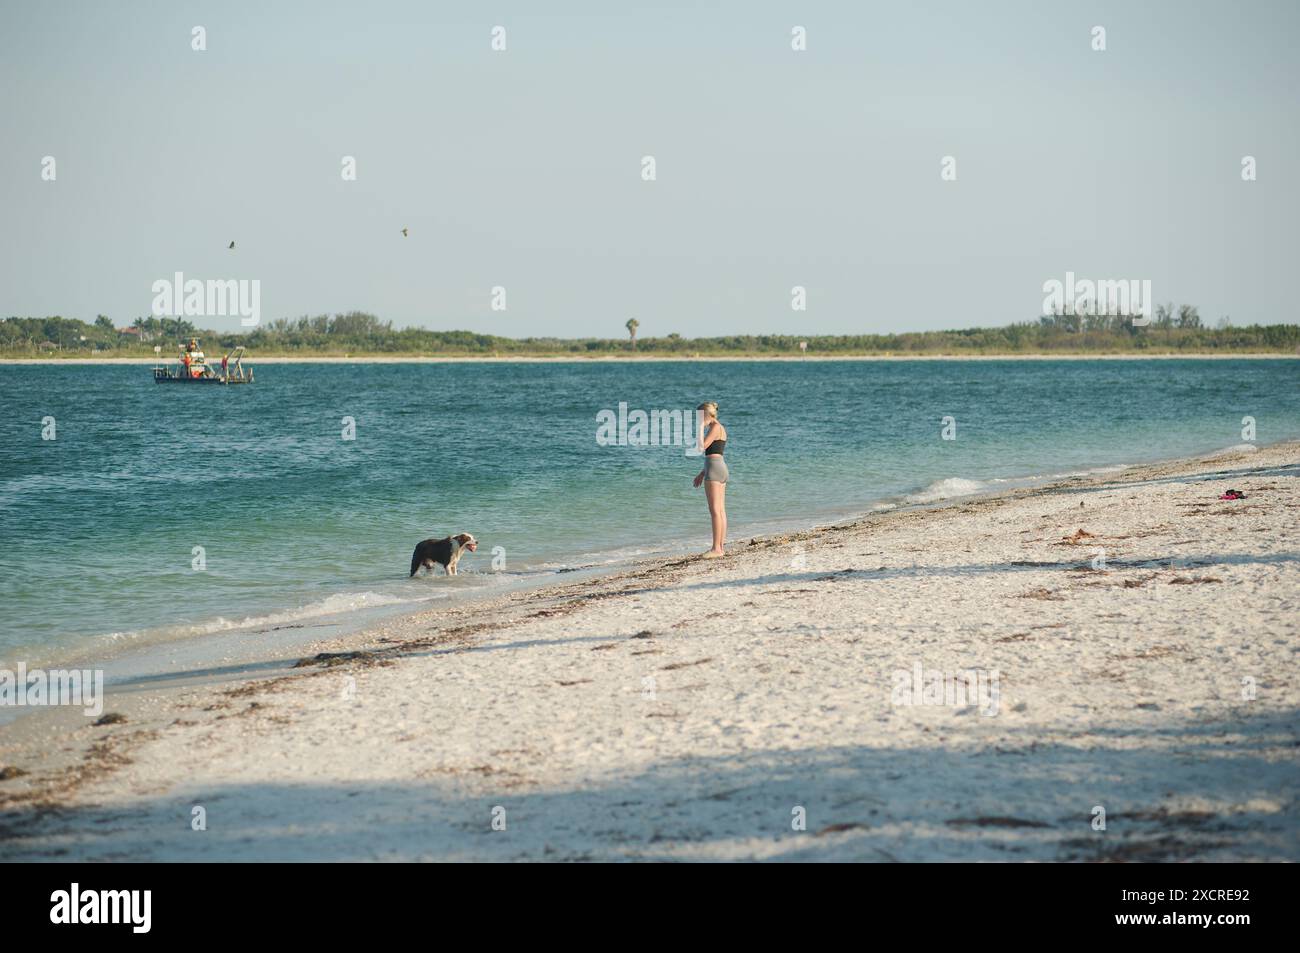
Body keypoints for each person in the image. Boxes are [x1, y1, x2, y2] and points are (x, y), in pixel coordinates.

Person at [691, 401, 728, 557]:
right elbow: (715, 454)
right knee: (720, 511)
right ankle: (720, 547)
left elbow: (701, 448)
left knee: (715, 511)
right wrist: (702, 473)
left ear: (707, 415)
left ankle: (716, 549)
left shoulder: (715, 428)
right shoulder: (719, 428)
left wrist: (699, 428)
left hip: (714, 470)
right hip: (718, 468)